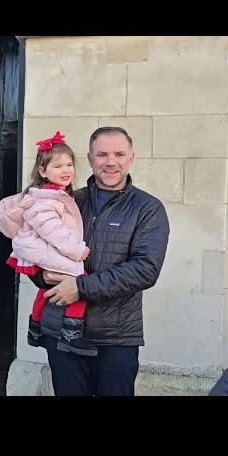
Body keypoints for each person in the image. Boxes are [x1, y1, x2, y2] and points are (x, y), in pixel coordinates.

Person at [27, 127, 169, 396]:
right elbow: (33, 249)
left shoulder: (148, 209)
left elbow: (145, 269)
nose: (110, 162)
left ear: (131, 158)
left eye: (118, 154)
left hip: (115, 338)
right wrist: (40, 276)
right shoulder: (67, 201)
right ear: (90, 159)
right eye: (102, 154)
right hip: (62, 335)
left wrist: (81, 288)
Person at [0, 131, 95, 357]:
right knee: (81, 281)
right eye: (58, 166)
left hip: (41, 251)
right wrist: (77, 251)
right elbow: (53, 231)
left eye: (69, 164)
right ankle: (72, 330)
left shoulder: (56, 194)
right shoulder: (46, 199)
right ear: (42, 171)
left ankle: (35, 326)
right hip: (44, 250)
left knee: (46, 289)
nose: (66, 170)